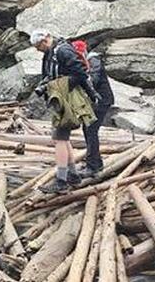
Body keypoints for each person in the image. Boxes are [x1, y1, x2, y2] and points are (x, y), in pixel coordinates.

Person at [31, 29, 101, 193]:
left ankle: (61, 181)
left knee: (60, 138)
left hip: (66, 97)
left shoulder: (61, 50)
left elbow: (80, 73)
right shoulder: (52, 52)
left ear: (45, 40)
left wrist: (66, 86)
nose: (37, 49)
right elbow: (53, 74)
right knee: (62, 137)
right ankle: (73, 175)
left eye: (37, 45)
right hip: (61, 97)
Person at [73, 41, 115, 178]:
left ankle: (94, 166)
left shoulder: (93, 59)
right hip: (96, 101)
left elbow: (94, 79)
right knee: (88, 129)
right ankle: (94, 162)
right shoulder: (86, 61)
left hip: (102, 100)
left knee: (90, 129)